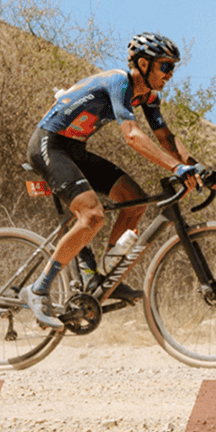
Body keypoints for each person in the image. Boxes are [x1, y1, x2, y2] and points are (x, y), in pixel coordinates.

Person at [22, 32, 205, 329]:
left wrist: (197, 168)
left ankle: (106, 278)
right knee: (92, 216)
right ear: (143, 64)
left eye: (173, 68)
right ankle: (39, 289)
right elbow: (132, 135)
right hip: (49, 145)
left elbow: (165, 138)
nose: (170, 74)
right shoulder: (119, 81)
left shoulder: (148, 96)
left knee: (134, 202)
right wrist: (176, 168)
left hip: (75, 150)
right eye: (166, 66)